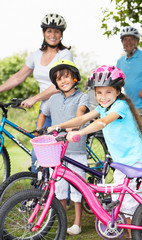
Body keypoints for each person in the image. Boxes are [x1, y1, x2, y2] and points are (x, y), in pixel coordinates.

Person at [48, 65, 142, 238]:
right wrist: (58, 126)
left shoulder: (120, 106)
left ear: (118, 91)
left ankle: (135, 234)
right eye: (99, 93)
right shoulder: (104, 107)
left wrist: (79, 133)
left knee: (130, 207)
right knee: (122, 205)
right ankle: (129, 233)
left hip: (135, 162)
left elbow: (102, 123)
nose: (103, 97)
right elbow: (81, 118)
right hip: (121, 163)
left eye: (108, 92)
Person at [0, 13, 73, 172]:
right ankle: (41, 192)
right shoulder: (36, 55)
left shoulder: (64, 55)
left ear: (61, 34)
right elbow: (18, 77)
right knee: (41, 152)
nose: (52, 35)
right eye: (49, 31)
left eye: (56, 31)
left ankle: (57, 193)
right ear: (43, 33)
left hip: (62, 107)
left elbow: (60, 85)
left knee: (54, 154)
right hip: (45, 110)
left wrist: (35, 98)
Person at [37, 60, 89, 236]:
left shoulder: (83, 97)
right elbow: (43, 113)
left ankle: (77, 223)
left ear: (74, 78)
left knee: (77, 189)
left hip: (76, 149)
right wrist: (39, 130)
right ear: (55, 82)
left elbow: (81, 112)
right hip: (56, 151)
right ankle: (62, 221)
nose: (63, 81)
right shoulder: (53, 98)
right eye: (59, 79)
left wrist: (74, 127)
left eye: (66, 76)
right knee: (59, 188)